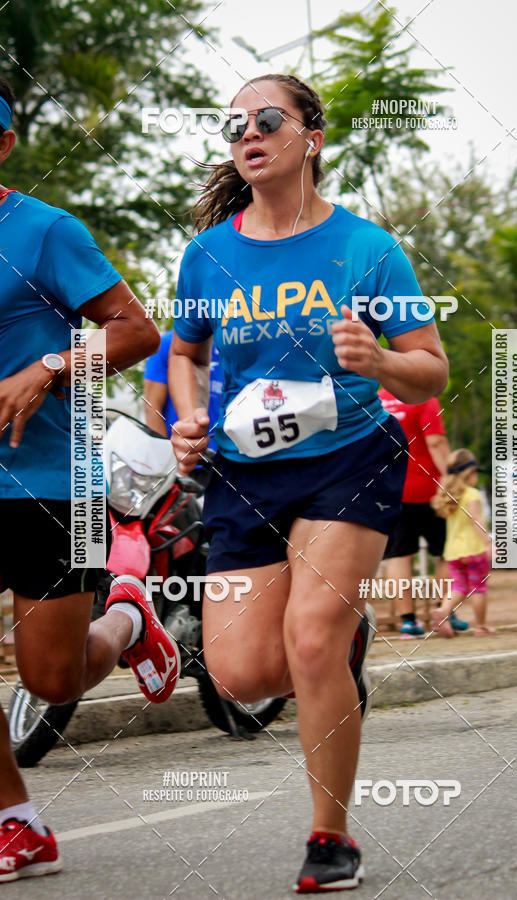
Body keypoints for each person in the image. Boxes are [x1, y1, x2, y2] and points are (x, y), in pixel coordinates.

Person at [168, 73, 448, 893]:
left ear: (311, 139)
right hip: (243, 471)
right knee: (242, 678)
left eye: (266, 119)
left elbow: (430, 369)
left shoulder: (366, 248)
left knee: (313, 636)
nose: (246, 133)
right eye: (233, 125)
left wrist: (380, 359)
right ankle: (338, 647)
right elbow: (185, 352)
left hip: (350, 457)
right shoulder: (208, 253)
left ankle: (331, 839)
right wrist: (186, 417)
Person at [0, 75, 181, 882]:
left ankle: (128, 621)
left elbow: (137, 329)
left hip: (52, 483)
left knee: (50, 676)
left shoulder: (43, 231)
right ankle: (16, 821)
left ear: (4, 142)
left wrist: (48, 364)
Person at [378, 391, 469, 636]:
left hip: (391, 489)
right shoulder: (424, 399)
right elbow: (436, 443)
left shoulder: (376, 400)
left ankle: (408, 621)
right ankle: (444, 612)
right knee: (445, 552)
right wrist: (452, 480)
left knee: (399, 555)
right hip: (430, 490)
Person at [430, 449, 495, 637]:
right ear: (469, 473)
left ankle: (443, 611)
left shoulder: (448, 495)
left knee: (459, 587)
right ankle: (481, 627)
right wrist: (488, 544)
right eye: (475, 473)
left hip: (453, 553)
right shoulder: (471, 494)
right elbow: (476, 520)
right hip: (474, 550)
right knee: (478, 588)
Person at [144, 328, 222, 450]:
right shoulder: (166, 343)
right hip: (180, 456)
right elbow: (152, 408)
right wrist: (164, 460)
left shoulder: (231, 344)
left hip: (225, 456)